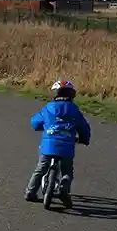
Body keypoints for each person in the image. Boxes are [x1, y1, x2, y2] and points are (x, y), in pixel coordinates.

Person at [25, 80, 91, 208]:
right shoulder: (74, 110)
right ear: (72, 94)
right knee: (67, 171)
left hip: (48, 146)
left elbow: (35, 123)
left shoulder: (48, 108)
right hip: (67, 146)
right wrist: (84, 139)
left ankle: (30, 192)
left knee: (40, 169)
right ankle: (64, 186)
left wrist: (42, 127)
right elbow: (84, 127)